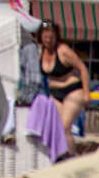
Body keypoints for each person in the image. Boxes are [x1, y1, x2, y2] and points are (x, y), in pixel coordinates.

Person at [37, 20, 90, 155]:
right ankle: (62, 155)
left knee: (65, 127)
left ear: (56, 36)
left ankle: (71, 158)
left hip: (72, 90)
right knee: (56, 129)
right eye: (46, 37)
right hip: (55, 93)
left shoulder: (63, 50)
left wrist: (86, 94)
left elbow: (83, 69)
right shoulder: (39, 51)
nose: (48, 40)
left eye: (51, 37)